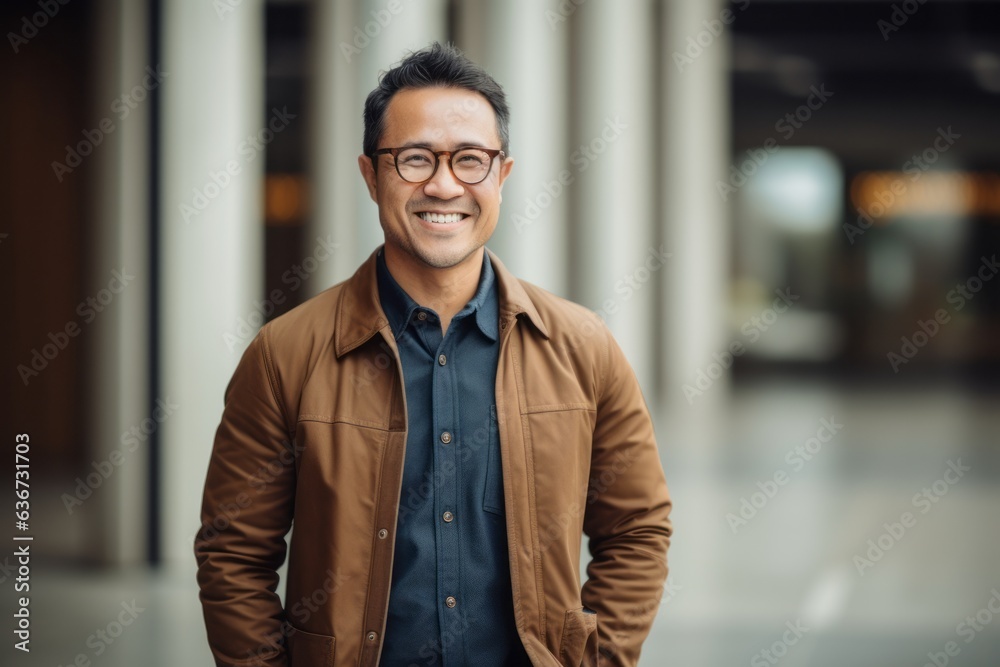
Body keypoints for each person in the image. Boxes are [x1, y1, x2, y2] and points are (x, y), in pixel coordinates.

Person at [195, 42, 672, 667]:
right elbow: (233, 553)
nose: (443, 185)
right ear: (371, 176)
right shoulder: (286, 354)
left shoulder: (583, 349)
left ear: (501, 176)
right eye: (414, 159)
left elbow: (637, 531)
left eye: (470, 160)